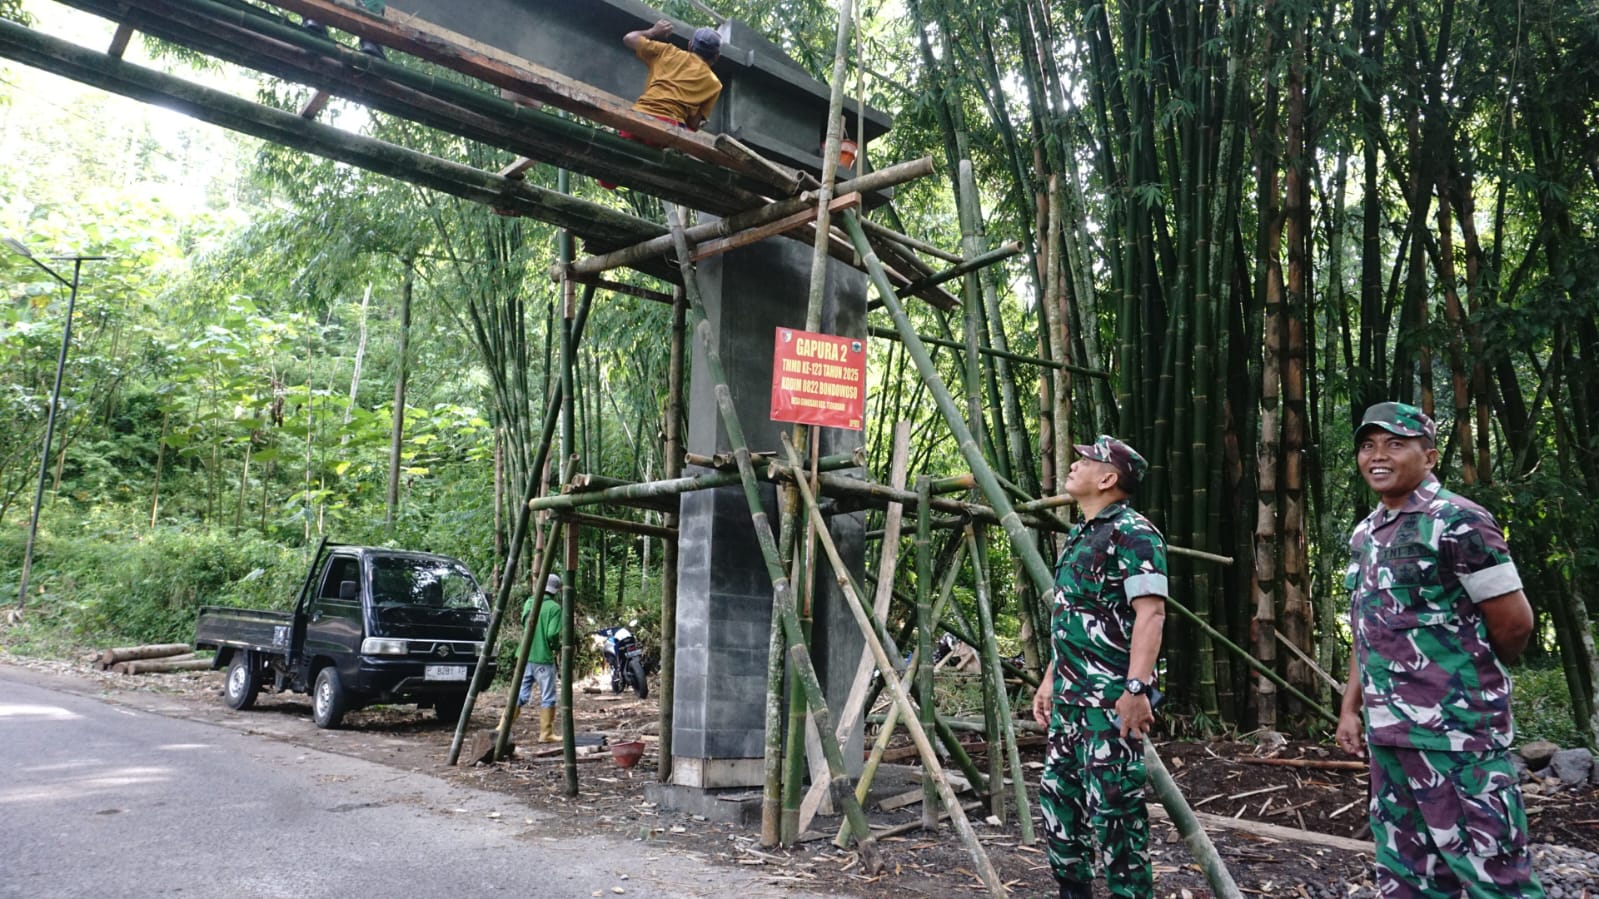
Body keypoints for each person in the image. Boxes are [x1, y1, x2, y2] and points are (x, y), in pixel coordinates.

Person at [1336, 402, 1544, 898]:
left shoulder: (1459, 520)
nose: (1377, 456)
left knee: (1494, 874)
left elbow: (1515, 624)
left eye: (1395, 444)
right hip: (1390, 736)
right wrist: (1351, 705)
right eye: (1368, 445)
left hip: (1457, 736)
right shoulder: (1367, 533)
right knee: (1408, 874)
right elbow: (1369, 626)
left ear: (1429, 457)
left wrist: (1465, 679)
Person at [1031, 435, 1168, 899]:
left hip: (1109, 703)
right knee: (1059, 805)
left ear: (1108, 478)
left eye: (1085, 459)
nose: (1073, 464)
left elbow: (1151, 614)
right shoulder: (1080, 534)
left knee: (1114, 814)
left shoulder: (1136, 534)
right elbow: (1072, 616)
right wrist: (1051, 679)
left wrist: (1136, 689)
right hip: (1070, 701)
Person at [598, 20, 723, 189]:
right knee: (654, 170)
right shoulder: (714, 84)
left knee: (607, 180)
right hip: (669, 128)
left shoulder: (668, 51)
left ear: (690, 45)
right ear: (716, 57)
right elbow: (693, 124)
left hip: (639, 116)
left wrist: (653, 31)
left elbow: (629, 38)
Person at [518, 574, 564, 743]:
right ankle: (546, 733)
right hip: (543, 657)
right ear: (555, 590)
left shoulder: (529, 602)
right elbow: (552, 634)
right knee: (548, 696)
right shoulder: (554, 608)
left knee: (521, 694)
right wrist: (556, 647)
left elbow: (525, 624)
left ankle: (503, 726)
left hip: (525, 654)